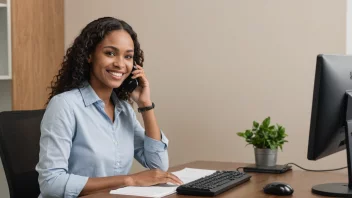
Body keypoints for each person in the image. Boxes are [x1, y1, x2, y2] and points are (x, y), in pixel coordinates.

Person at [35, 17, 182, 198]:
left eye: (128, 56)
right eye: (110, 53)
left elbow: (158, 166)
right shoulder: (65, 105)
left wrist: (145, 105)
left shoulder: (123, 110)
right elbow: (51, 184)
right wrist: (129, 180)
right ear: (89, 55)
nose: (120, 64)